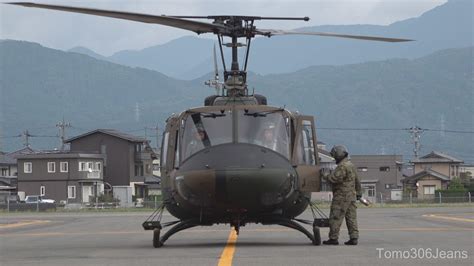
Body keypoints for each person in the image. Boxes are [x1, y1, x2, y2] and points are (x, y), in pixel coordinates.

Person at [320, 145, 362, 245]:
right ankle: (354, 237)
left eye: (334, 156)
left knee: (335, 216)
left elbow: (333, 179)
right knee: (351, 217)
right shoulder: (351, 165)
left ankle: (333, 238)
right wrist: (359, 193)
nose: (334, 158)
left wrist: (324, 174)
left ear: (338, 155)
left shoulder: (342, 166)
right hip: (351, 196)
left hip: (341, 197)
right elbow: (357, 181)